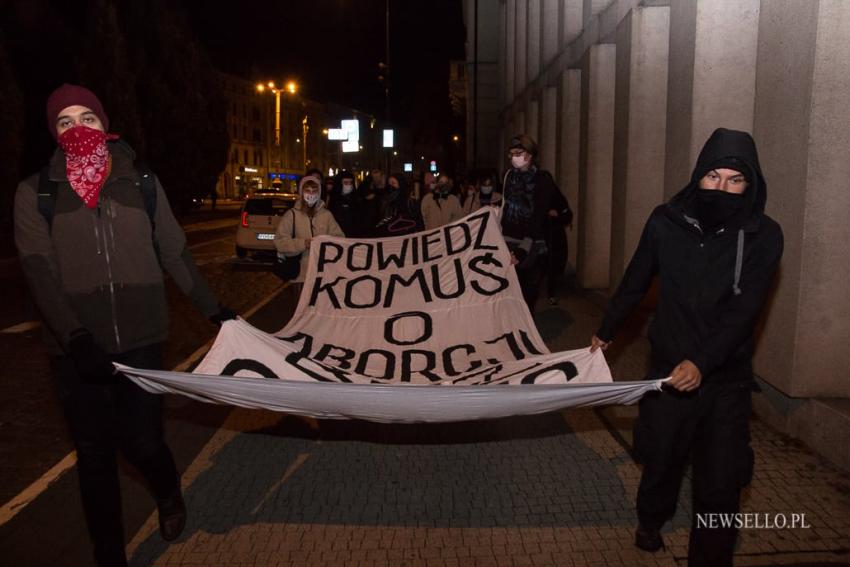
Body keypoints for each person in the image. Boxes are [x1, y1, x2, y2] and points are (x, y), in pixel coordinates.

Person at [13, 84, 236, 567]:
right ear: (54, 132)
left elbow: (175, 253)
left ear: (104, 122)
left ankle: (167, 490)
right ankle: (109, 556)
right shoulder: (36, 192)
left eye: (86, 118)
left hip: (141, 340)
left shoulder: (143, 181)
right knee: (94, 458)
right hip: (76, 351)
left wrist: (215, 310)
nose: (78, 130)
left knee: (143, 442)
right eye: (65, 122)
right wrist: (73, 337)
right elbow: (39, 271)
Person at [590, 128, 783, 566]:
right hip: (668, 372)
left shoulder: (764, 235)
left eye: (736, 180)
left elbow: (745, 312)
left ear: (750, 185)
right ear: (698, 176)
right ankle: (650, 520)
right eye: (713, 176)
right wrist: (606, 329)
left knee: (722, 483)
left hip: (726, 380)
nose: (722, 188)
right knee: (661, 459)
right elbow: (636, 278)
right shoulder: (666, 221)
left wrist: (704, 360)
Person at [501, 134, 568, 311]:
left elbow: (540, 217)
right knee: (510, 300)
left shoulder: (542, 179)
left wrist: (522, 249)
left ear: (529, 154)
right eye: (511, 153)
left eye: (518, 152)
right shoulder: (509, 178)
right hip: (509, 245)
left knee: (526, 300)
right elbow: (505, 209)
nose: (513, 157)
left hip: (533, 248)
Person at [274, 172, 344, 289]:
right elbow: (279, 242)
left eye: (314, 191)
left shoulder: (326, 215)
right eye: (307, 190)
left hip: (323, 277)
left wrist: (325, 244)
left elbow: (340, 239)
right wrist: (303, 243)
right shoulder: (291, 215)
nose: (311, 194)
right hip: (300, 278)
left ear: (319, 193)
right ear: (301, 192)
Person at [328, 170, 365, 237]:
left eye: (350, 183)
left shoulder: (357, 199)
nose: (348, 185)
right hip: (337, 236)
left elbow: (360, 221)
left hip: (353, 237)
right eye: (345, 182)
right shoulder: (332, 199)